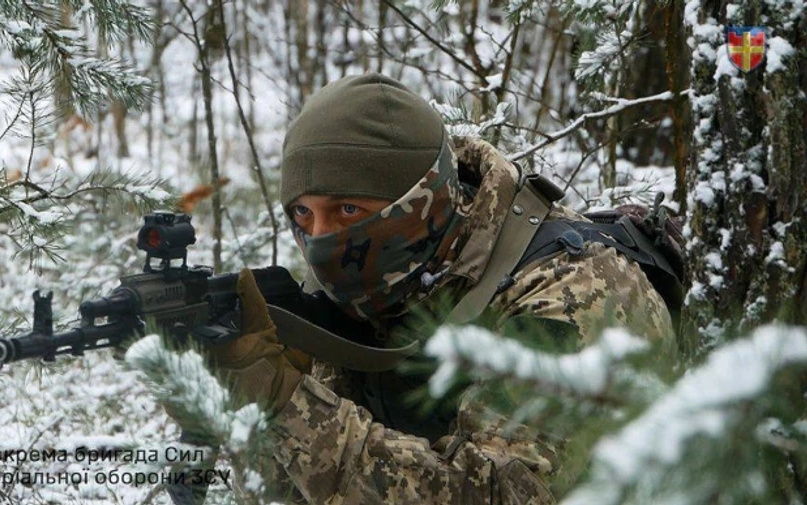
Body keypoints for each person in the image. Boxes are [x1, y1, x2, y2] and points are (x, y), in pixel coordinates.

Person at [167, 73, 674, 505]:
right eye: (303, 213)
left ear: (419, 203)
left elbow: (503, 492)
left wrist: (288, 404)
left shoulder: (573, 291)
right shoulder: (384, 281)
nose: (320, 240)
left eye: (347, 212)